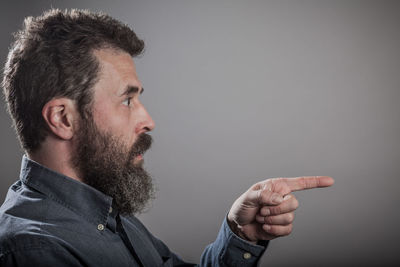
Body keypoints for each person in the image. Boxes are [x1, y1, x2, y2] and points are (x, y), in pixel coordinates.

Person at [0, 9, 334, 267]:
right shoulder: (34, 250)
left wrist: (240, 232)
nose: (148, 120)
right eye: (127, 100)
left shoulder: (106, 209)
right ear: (63, 118)